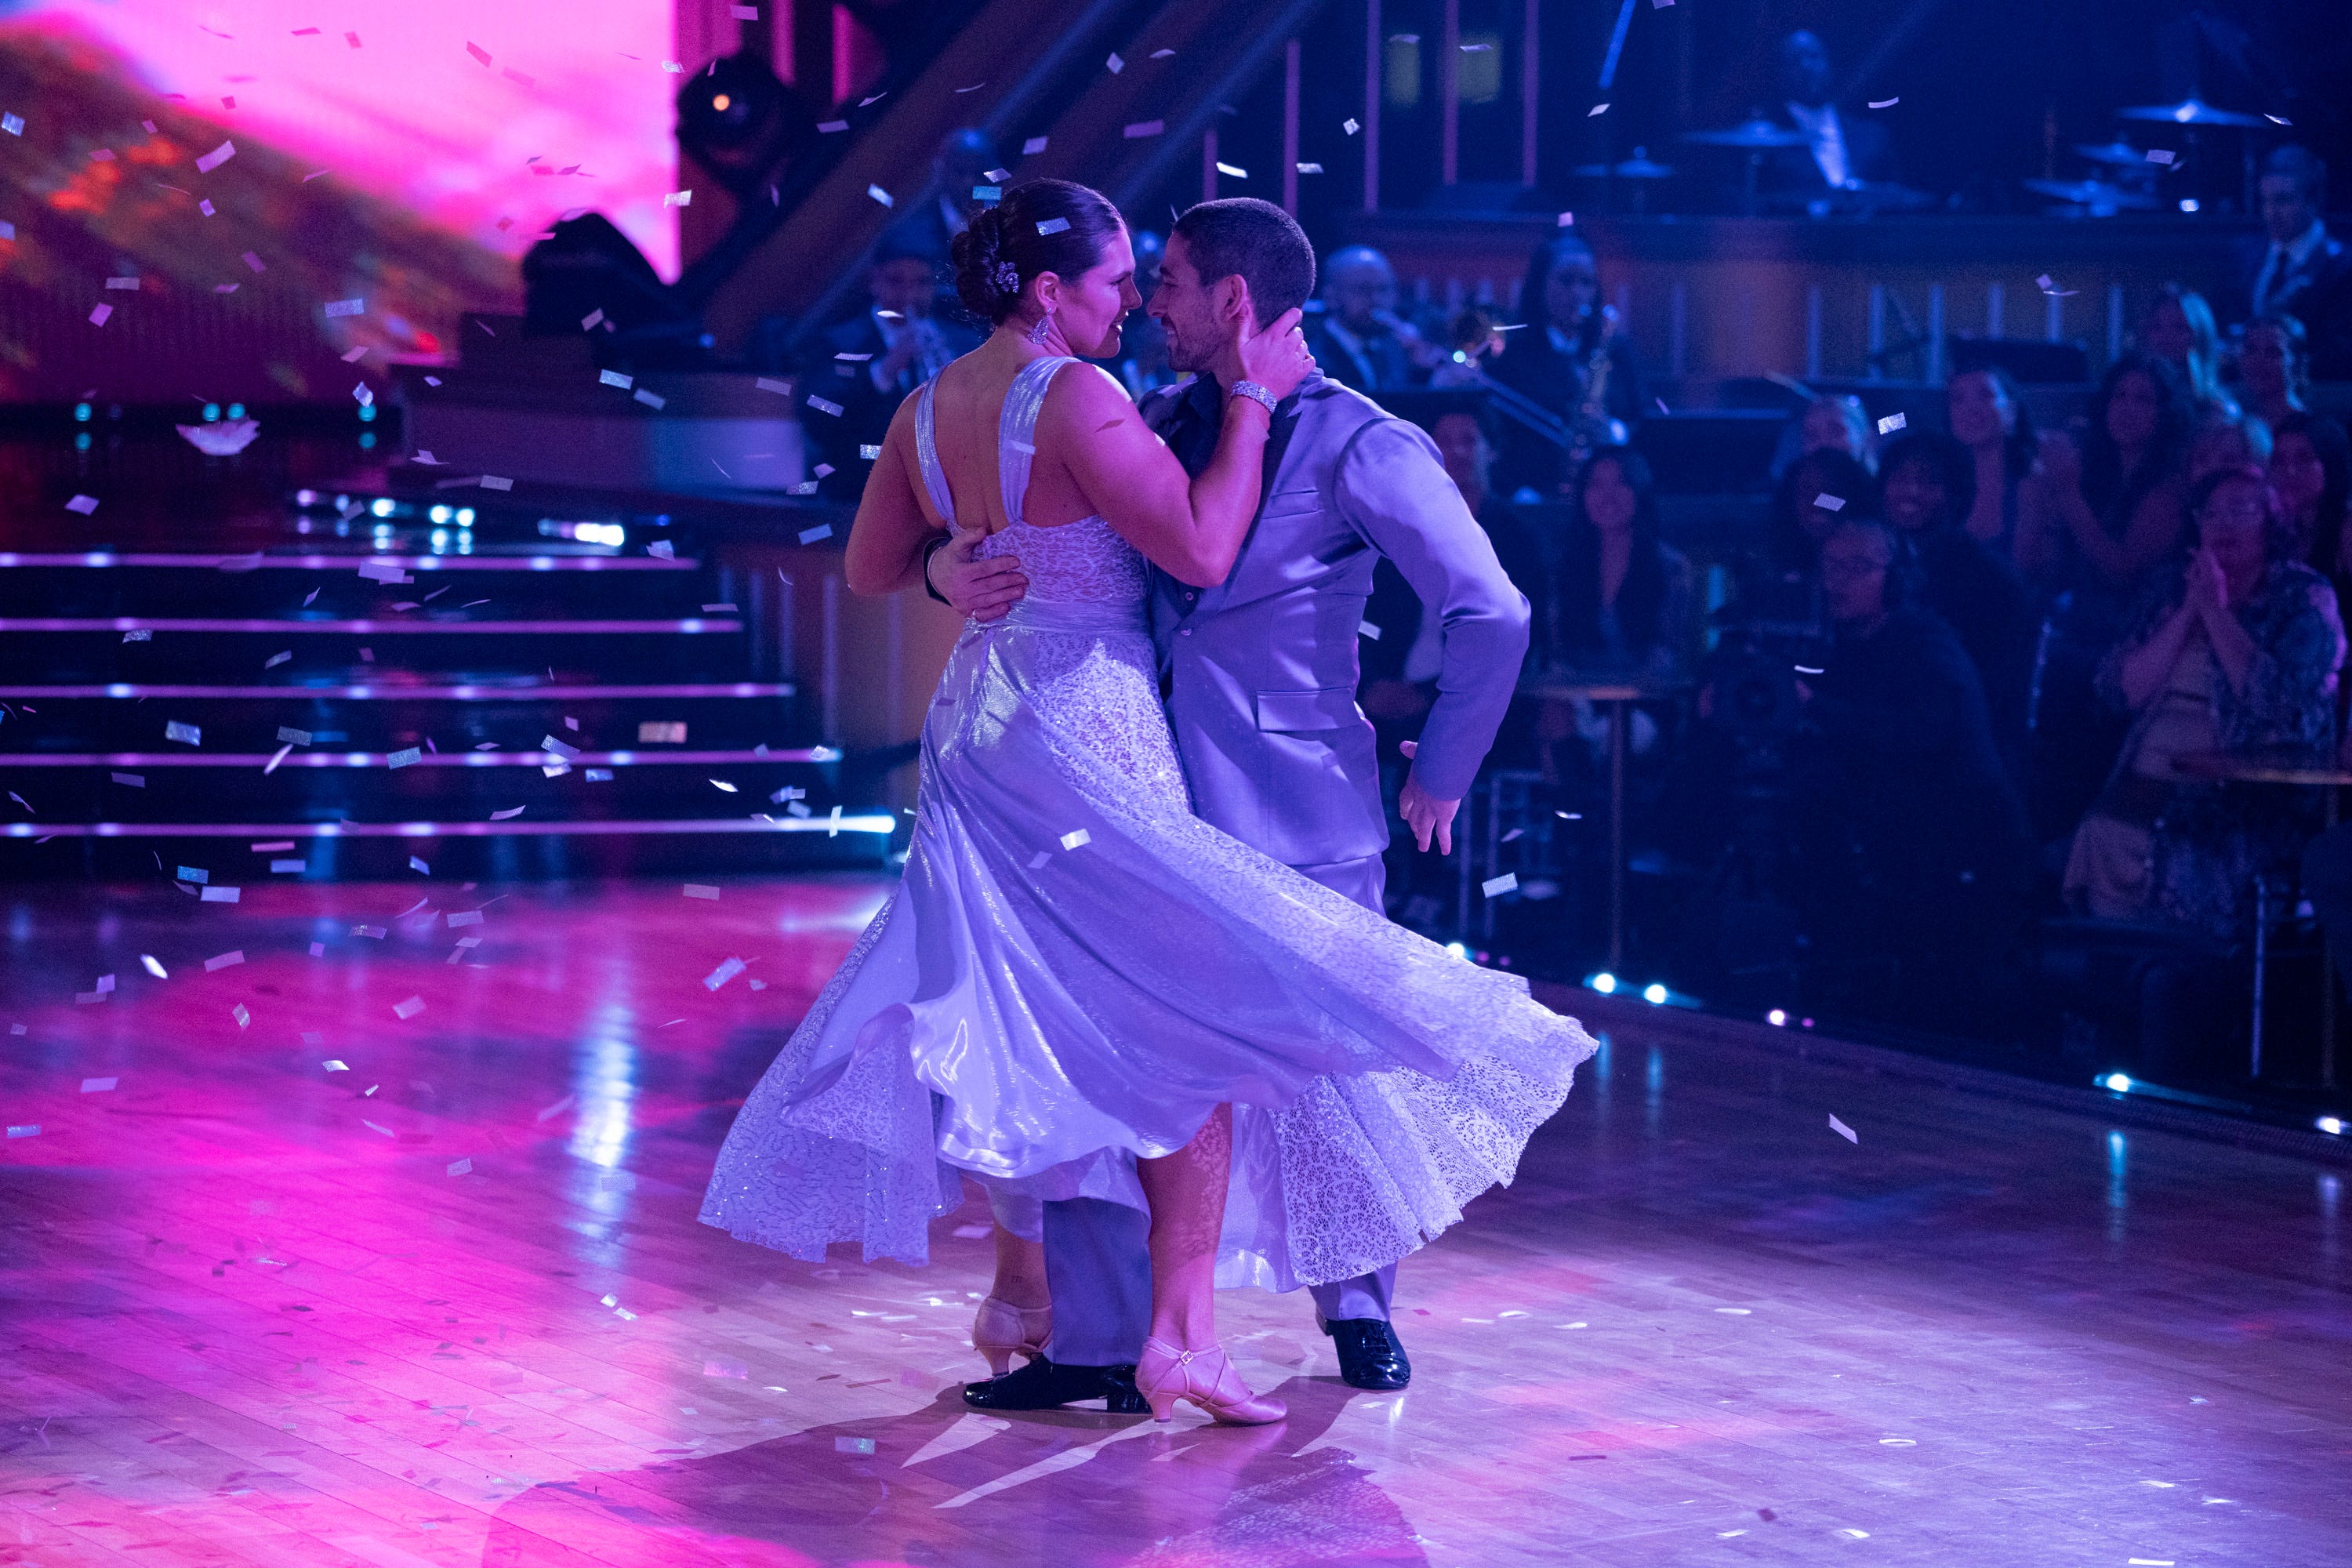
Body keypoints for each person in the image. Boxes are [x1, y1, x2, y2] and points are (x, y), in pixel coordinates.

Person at [869, 188, 1592, 1418]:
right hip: (1134, 796)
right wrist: (945, 562)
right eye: (1138, 283)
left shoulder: (1363, 440)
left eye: (1170, 286)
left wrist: (1441, 768)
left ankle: (1357, 1309)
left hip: (1297, 804)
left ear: (1235, 303)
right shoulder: (1141, 413)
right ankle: (1098, 1340)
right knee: (1115, 1065)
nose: (1149, 301)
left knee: (1324, 1062)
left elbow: (1493, 609)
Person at [2063, 466, 2342, 936]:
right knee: (2104, 828)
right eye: (2210, 513)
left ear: (2273, 520)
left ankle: (2184, 985)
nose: (2223, 524)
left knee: (2185, 844)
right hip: (2145, 779)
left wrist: (2216, 612)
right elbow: (2120, 691)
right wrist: (2191, 608)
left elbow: (2278, 708)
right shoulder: (2173, 585)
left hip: (2246, 789)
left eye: (2240, 511)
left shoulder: (2303, 597)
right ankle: (2121, 986)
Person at [1791, 517, 2031, 1028]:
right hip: (1896, 830)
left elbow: (1926, 735)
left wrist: (1818, 709)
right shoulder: (1842, 647)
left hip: (1960, 841)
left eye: (1857, 567)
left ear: (1897, 577)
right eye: (1830, 567)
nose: (1837, 581)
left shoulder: (1925, 643)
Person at [1878, 430, 2036, 785]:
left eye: (1929, 482)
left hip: (1957, 749)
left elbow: (1984, 692)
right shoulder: (1875, 556)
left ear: (1956, 495)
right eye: (1901, 478)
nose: (1911, 492)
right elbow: (1821, 502)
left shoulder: (1991, 581)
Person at [801, 222, 982, 500]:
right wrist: (884, 371)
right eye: (896, 281)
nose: (909, 295)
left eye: (921, 283)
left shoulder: (964, 342)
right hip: (861, 491)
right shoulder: (839, 343)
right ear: (874, 281)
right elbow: (819, 421)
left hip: (949, 492)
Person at [1486, 235, 1642, 497]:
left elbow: (1640, 414)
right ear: (1540, 285)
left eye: (1587, 283)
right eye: (1566, 281)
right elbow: (1499, 434)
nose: (1577, 293)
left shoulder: (1616, 348)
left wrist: (1613, 431)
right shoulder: (1512, 351)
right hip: (1531, 491)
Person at [2239, 146, 2352, 379]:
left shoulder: (2342, 267)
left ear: (2313, 201)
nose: (2271, 212)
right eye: (2265, 201)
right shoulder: (2245, 255)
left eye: (2283, 200)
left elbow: (2341, 351)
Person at [1763, 30, 1898, 195]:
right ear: (1780, 71)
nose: (1806, 67)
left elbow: (1895, 196)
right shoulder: (1766, 140)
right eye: (1795, 60)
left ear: (1830, 63)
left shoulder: (1870, 135)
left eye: (1813, 56)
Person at [1305, 246, 1443, 394]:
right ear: (1330, 297)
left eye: (1384, 289)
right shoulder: (1313, 361)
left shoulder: (1395, 351)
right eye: (1363, 289)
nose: (1376, 300)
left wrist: (1423, 369)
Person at [1946, 365, 2040, 557]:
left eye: (1985, 395)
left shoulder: (2035, 481)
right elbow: (1881, 425)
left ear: (2011, 411)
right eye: (1958, 399)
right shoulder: (1942, 486)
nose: (1971, 408)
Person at [2270, 411, 2352, 580]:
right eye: (2280, 460)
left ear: (2331, 464)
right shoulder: (2274, 529)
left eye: (2304, 458)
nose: (2289, 471)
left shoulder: (2346, 529)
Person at [2139, 285, 2238, 419]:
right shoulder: (2133, 398)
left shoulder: (2218, 409)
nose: (2166, 337)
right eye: (2157, 327)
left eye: (2179, 327)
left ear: (2201, 334)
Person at [2237, 312, 2311, 432]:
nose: (2259, 361)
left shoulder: (2316, 434)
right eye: (2251, 350)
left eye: (2273, 353)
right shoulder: (2235, 429)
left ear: (2297, 362)